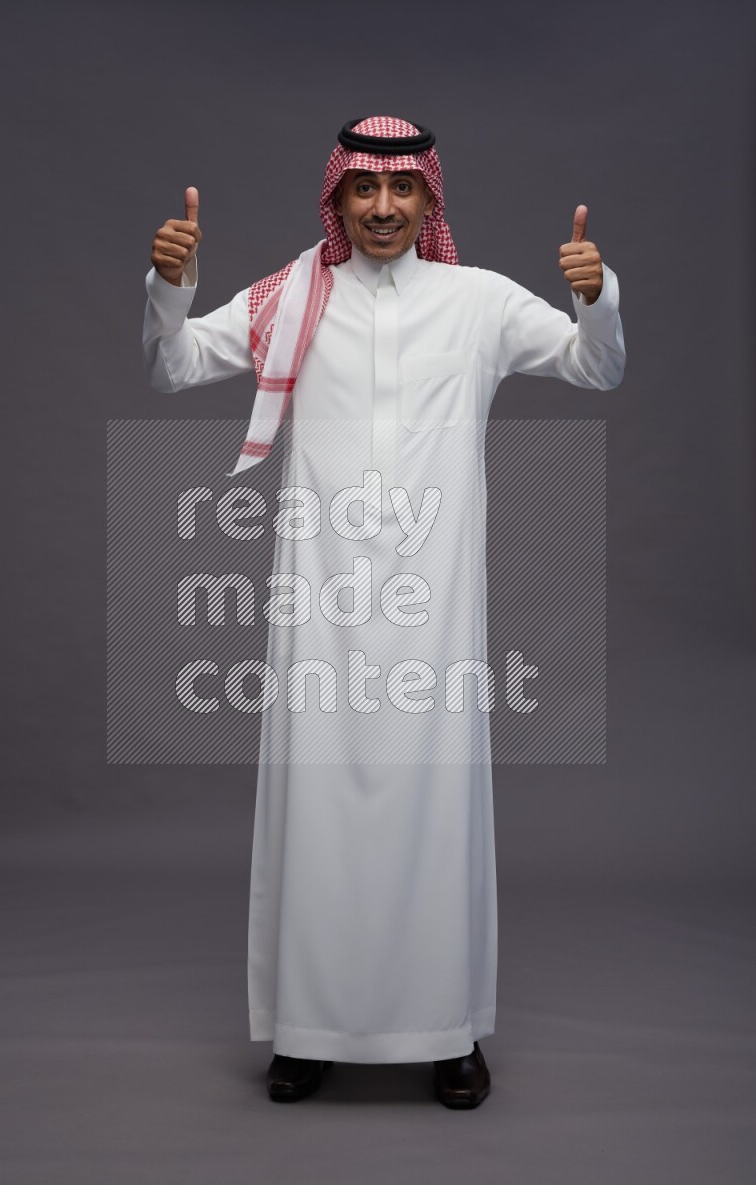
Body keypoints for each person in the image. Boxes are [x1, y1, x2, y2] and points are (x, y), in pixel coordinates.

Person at [142, 115, 625, 1108]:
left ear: (429, 201)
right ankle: (306, 1032)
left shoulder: (478, 301)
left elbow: (593, 366)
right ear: (337, 199)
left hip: (433, 610)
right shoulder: (294, 294)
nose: (382, 208)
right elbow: (175, 364)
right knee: (313, 812)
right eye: (363, 190)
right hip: (317, 604)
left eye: (401, 191)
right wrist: (169, 288)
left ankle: (447, 1033)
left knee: (435, 813)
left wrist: (596, 299)